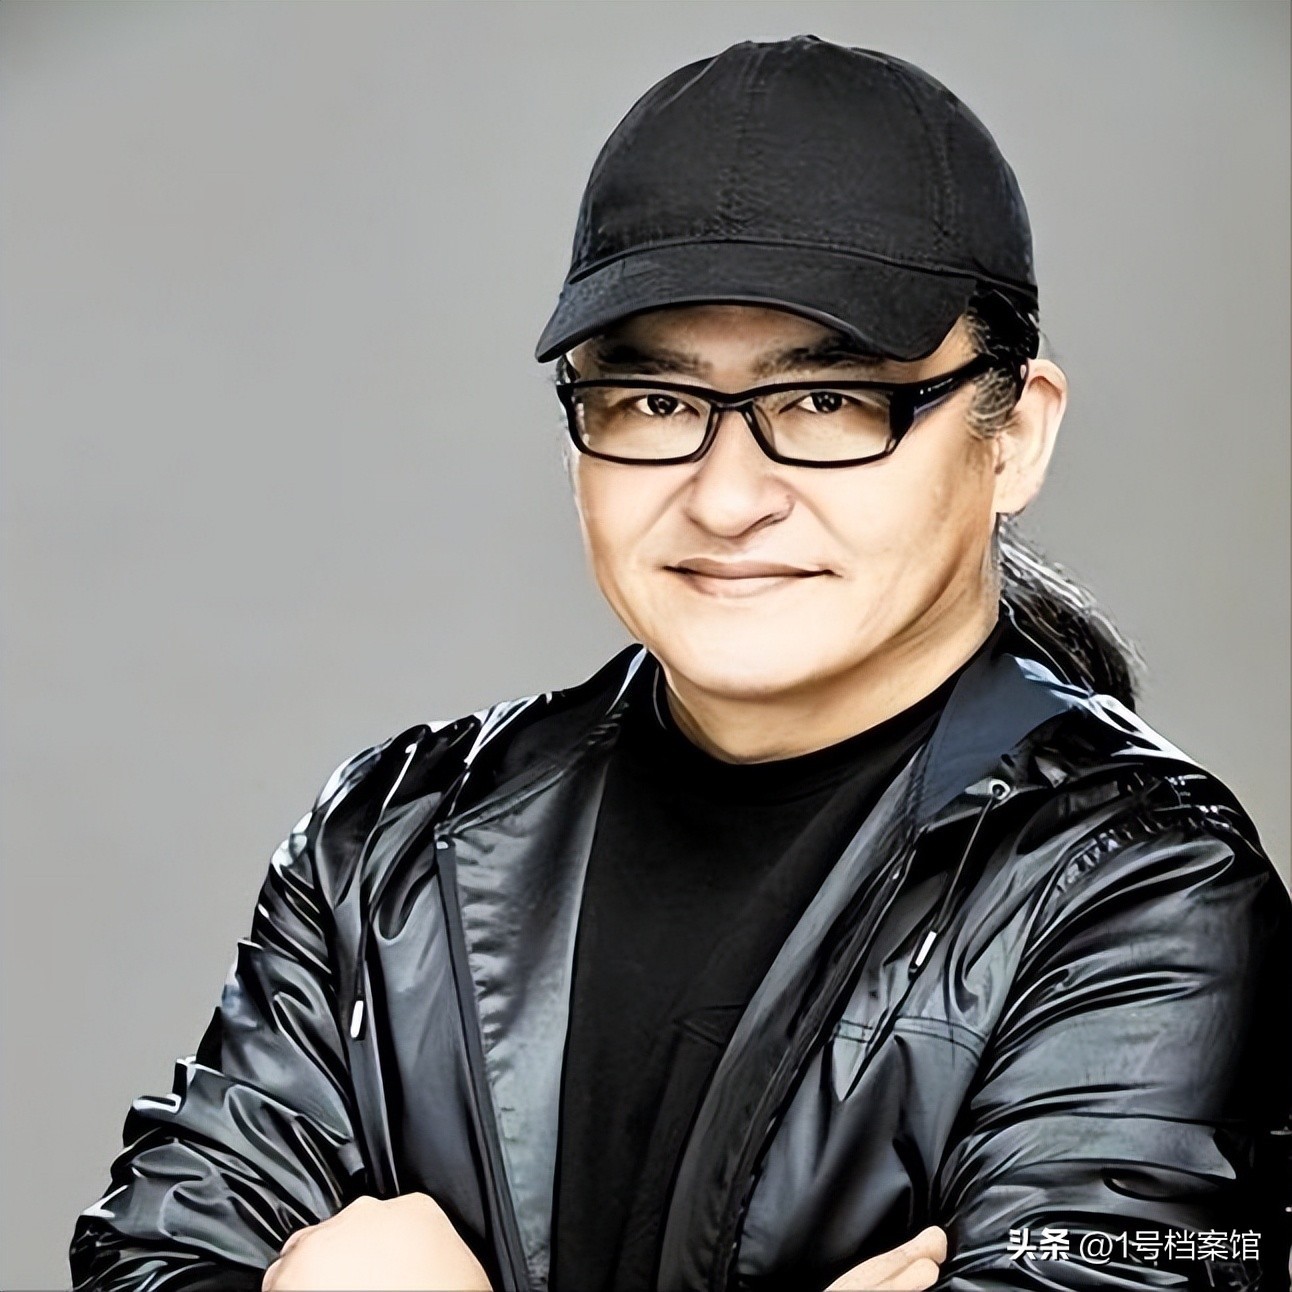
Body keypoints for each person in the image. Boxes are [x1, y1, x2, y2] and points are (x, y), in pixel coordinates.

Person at [70, 35, 1291, 1292]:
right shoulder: (391, 847)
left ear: (1013, 435)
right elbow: (157, 1255)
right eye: (655, 402)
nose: (725, 496)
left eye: (827, 401)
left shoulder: (1143, 890)